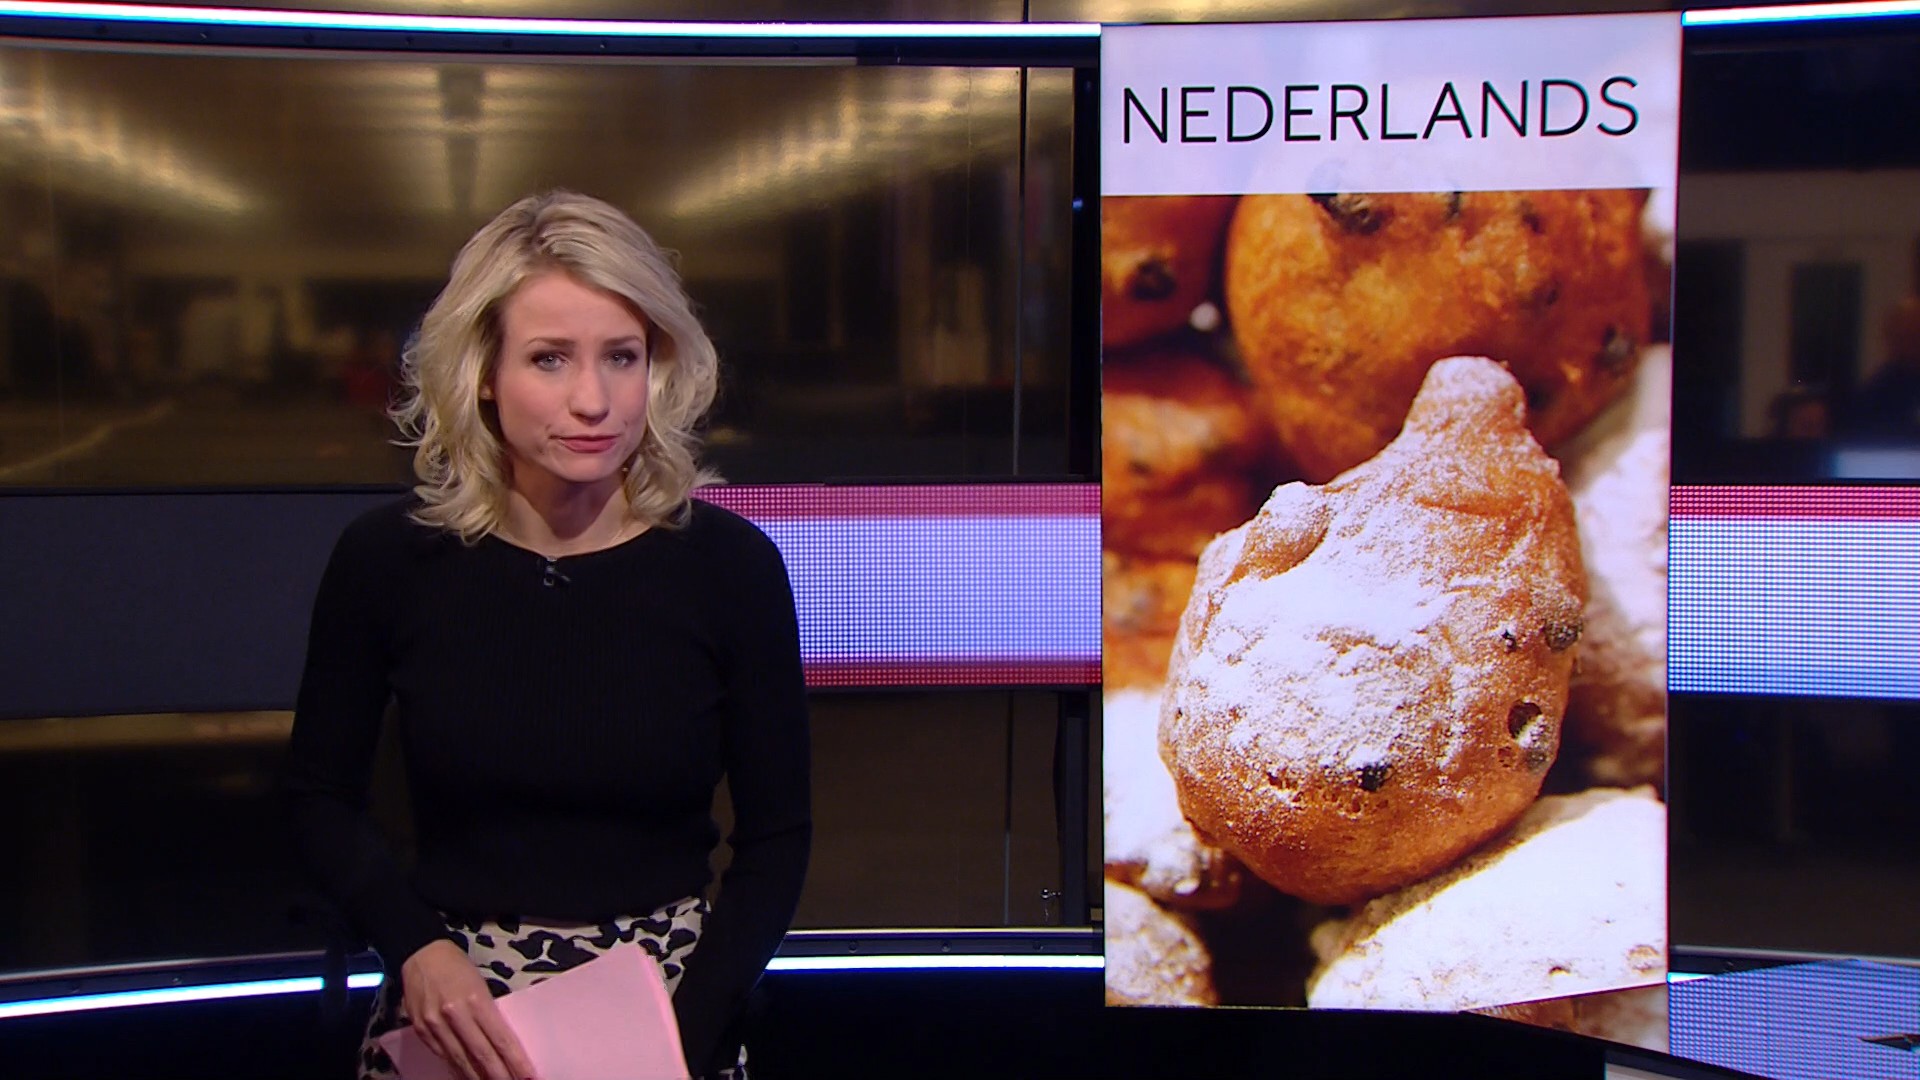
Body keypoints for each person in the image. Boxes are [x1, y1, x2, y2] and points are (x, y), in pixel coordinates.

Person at [280, 190, 811, 1080]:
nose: (593, 400)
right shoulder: (387, 561)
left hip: (670, 1007)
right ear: (483, 371)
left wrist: (677, 1040)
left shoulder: (732, 569)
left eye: (622, 357)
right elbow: (319, 799)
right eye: (550, 358)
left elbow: (778, 839)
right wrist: (417, 951)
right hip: (455, 1018)